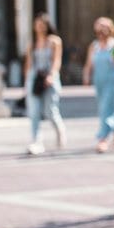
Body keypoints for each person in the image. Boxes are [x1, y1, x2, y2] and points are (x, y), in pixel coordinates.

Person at [23, 12, 65, 155]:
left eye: (43, 24)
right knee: (34, 112)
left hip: (49, 78)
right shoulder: (32, 44)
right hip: (35, 79)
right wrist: (26, 83)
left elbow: (57, 60)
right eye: (38, 25)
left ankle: (60, 132)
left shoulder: (54, 41)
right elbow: (28, 64)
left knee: (50, 111)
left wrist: (52, 75)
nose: (40, 27)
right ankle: (36, 142)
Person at [84, 16, 114, 153]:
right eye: (99, 27)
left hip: (112, 81)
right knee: (106, 108)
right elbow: (89, 64)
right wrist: (86, 76)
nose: (101, 30)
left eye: (104, 27)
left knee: (105, 109)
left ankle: (103, 138)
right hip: (99, 80)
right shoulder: (94, 46)